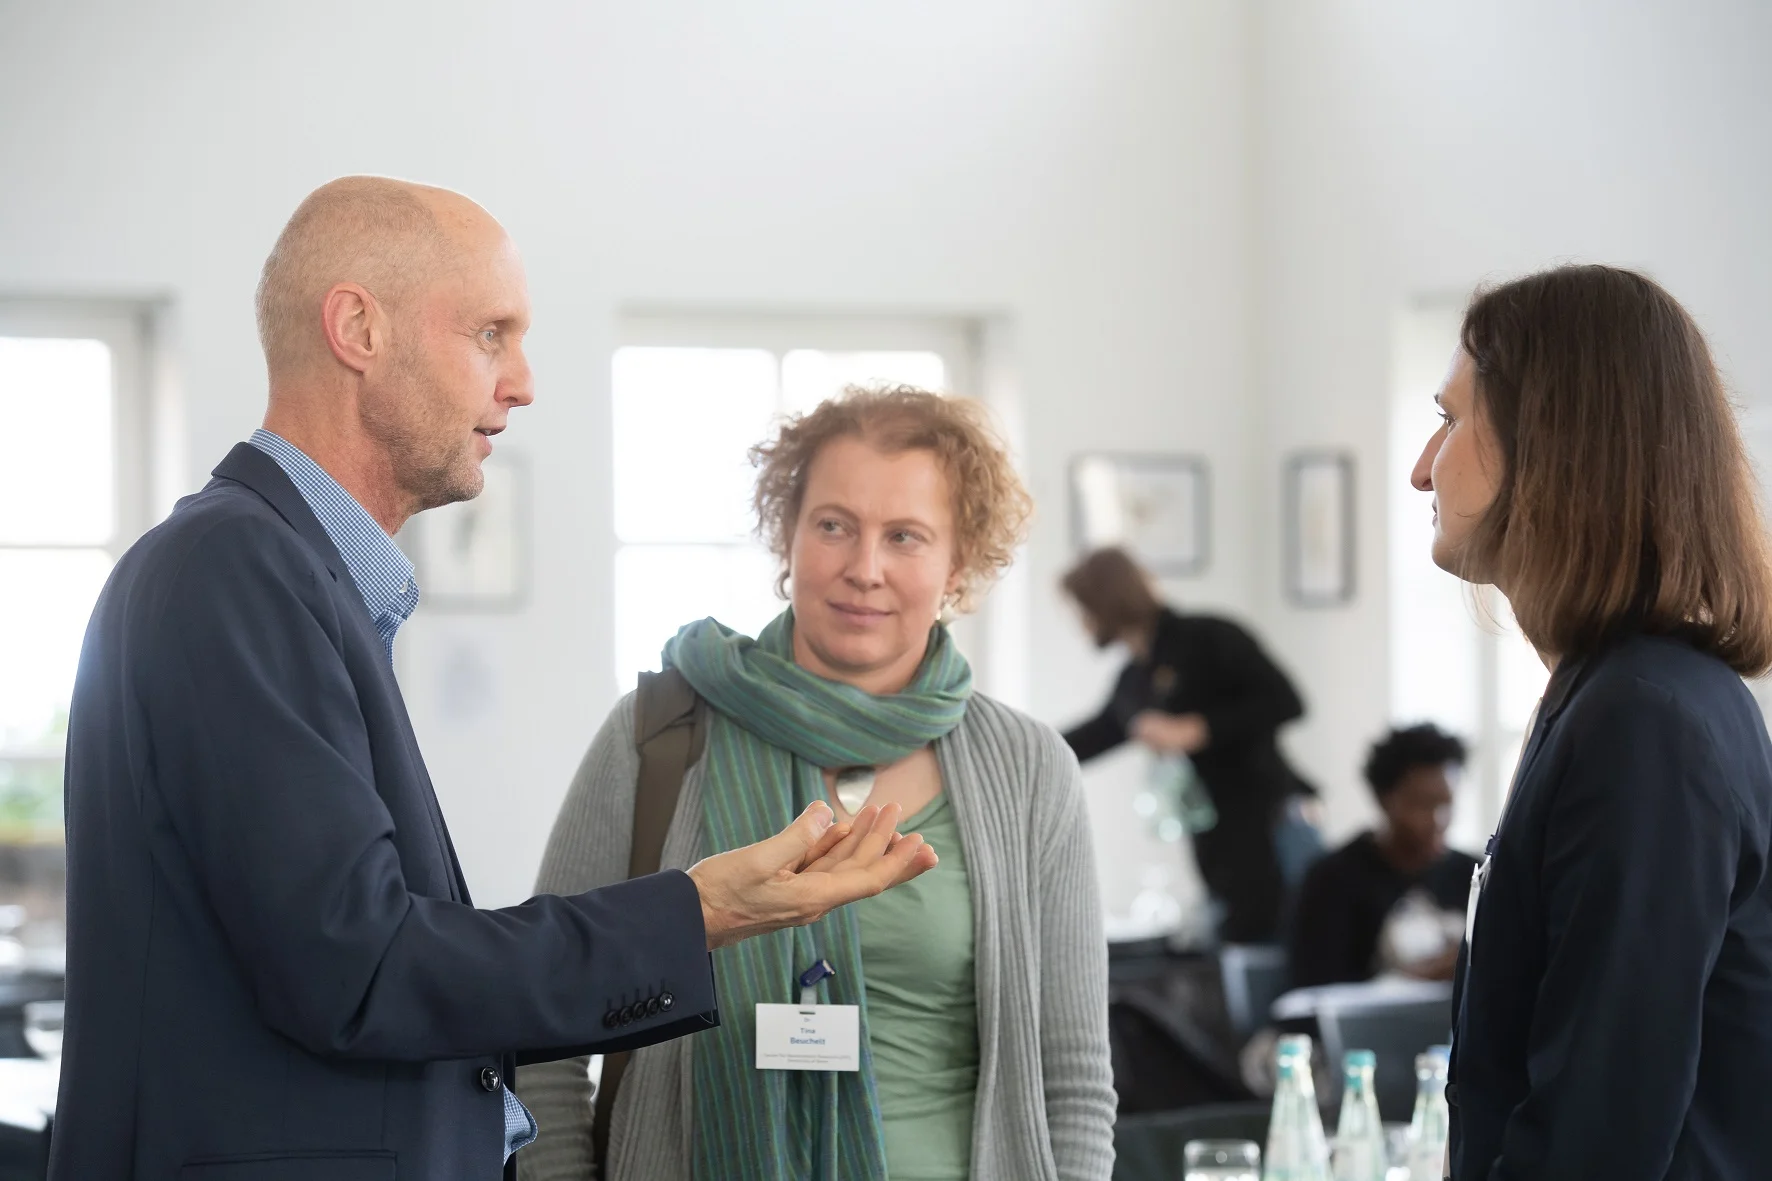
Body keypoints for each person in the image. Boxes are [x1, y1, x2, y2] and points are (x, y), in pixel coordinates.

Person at [52, 177, 936, 1181]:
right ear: (357, 328)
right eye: (490, 334)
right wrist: (695, 909)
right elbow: (361, 966)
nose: (521, 381)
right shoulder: (235, 569)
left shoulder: (290, 575)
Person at [518, 387, 1116, 1181]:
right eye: (834, 525)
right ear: (787, 535)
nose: (863, 569)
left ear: (959, 562)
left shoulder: (1030, 769)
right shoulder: (658, 735)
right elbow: (539, 1019)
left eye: (905, 536)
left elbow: (1073, 1079)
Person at [1413, 265, 1772, 1180]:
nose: (1423, 467)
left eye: (1452, 421)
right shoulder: (1616, 694)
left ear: (1556, 446)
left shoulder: (1645, 723)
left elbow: (1596, 1135)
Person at [1060, 547, 1313, 943]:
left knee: (1272, 942)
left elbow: (1286, 701)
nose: (1080, 622)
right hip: (1212, 835)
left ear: (1104, 602)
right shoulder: (1135, 680)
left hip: (1267, 821)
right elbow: (1097, 734)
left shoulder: (1210, 637)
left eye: (1082, 608)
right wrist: (1022, 749)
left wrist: (1196, 729)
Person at [1288, 724, 1476, 988]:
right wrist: (1431, 973)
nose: (1437, 820)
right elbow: (1317, 990)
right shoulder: (1334, 880)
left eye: (1446, 803)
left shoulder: (1472, 875)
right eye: (1421, 804)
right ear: (1384, 800)